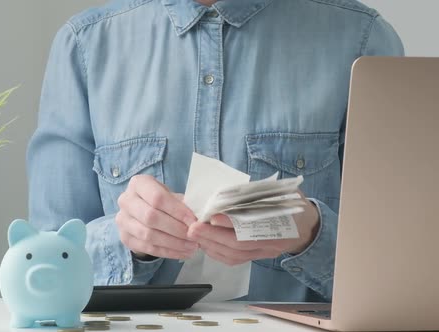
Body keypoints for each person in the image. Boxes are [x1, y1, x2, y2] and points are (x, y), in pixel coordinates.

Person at [27, 0, 403, 302]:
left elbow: (403, 274)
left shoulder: (362, 41)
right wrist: (126, 240)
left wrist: (312, 234)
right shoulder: (85, 45)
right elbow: (42, 266)